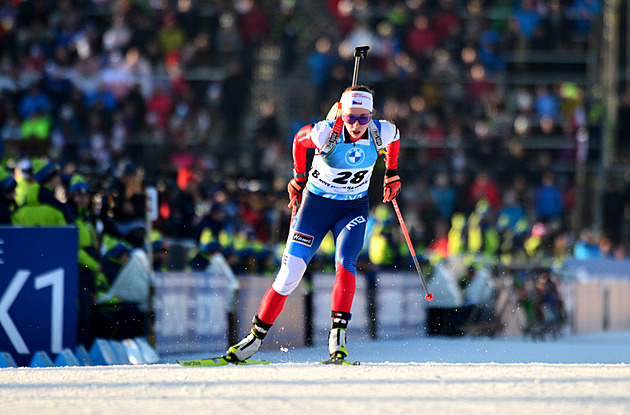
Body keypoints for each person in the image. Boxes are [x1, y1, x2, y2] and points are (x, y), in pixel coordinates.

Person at [226, 85, 401, 364]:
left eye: (363, 118)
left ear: (371, 116)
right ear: (342, 113)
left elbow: (396, 139)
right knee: (290, 275)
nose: (356, 125)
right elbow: (298, 140)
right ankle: (255, 338)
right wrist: (298, 177)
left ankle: (338, 337)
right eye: (351, 117)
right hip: (315, 208)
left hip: (353, 209)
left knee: (345, 264)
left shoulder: (383, 131)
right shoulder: (325, 133)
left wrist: (391, 173)